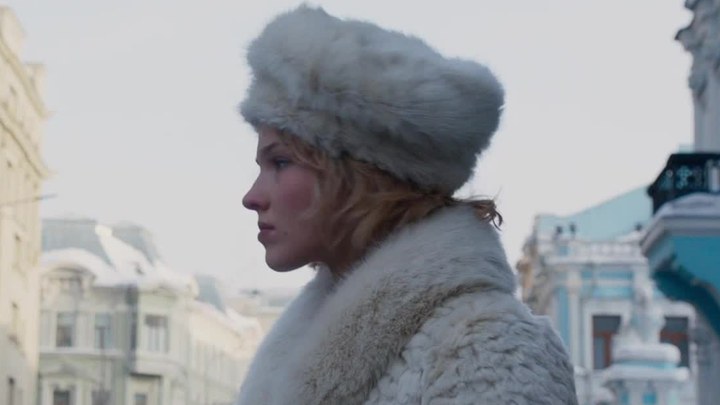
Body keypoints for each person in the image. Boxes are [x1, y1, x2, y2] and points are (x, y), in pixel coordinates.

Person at [237, 5, 577, 405]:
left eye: (280, 163)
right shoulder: (294, 350)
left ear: (363, 174)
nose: (251, 197)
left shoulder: (492, 348)